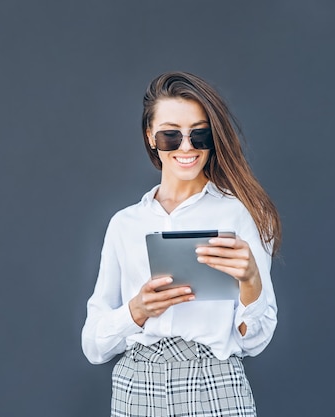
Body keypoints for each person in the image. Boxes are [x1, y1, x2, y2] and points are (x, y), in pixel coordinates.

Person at [81, 71, 281, 417]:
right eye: (171, 135)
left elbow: (256, 340)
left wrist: (251, 282)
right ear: (151, 138)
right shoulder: (124, 225)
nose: (186, 147)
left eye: (199, 134)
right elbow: (94, 346)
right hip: (137, 385)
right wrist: (137, 311)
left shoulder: (241, 214)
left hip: (214, 382)